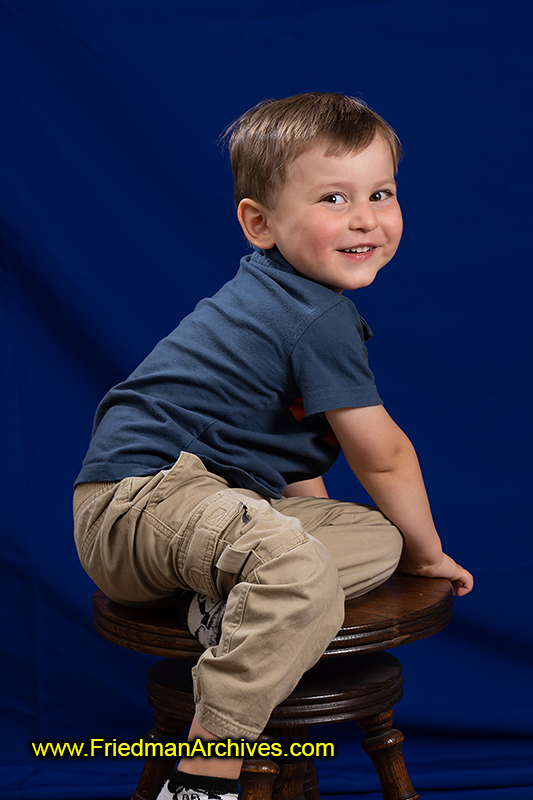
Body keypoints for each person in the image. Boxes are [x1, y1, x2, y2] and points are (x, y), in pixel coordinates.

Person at [73, 92, 473, 800]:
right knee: (320, 562)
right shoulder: (313, 316)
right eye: (332, 198)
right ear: (259, 223)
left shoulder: (289, 298)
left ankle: (232, 604)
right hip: (142, 500)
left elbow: (291, 475)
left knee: (366, 539)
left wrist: (391, 544)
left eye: (379, 193)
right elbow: (382, 455)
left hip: (209, 510)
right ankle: (206, 770)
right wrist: (428, 553)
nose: (364, 218)